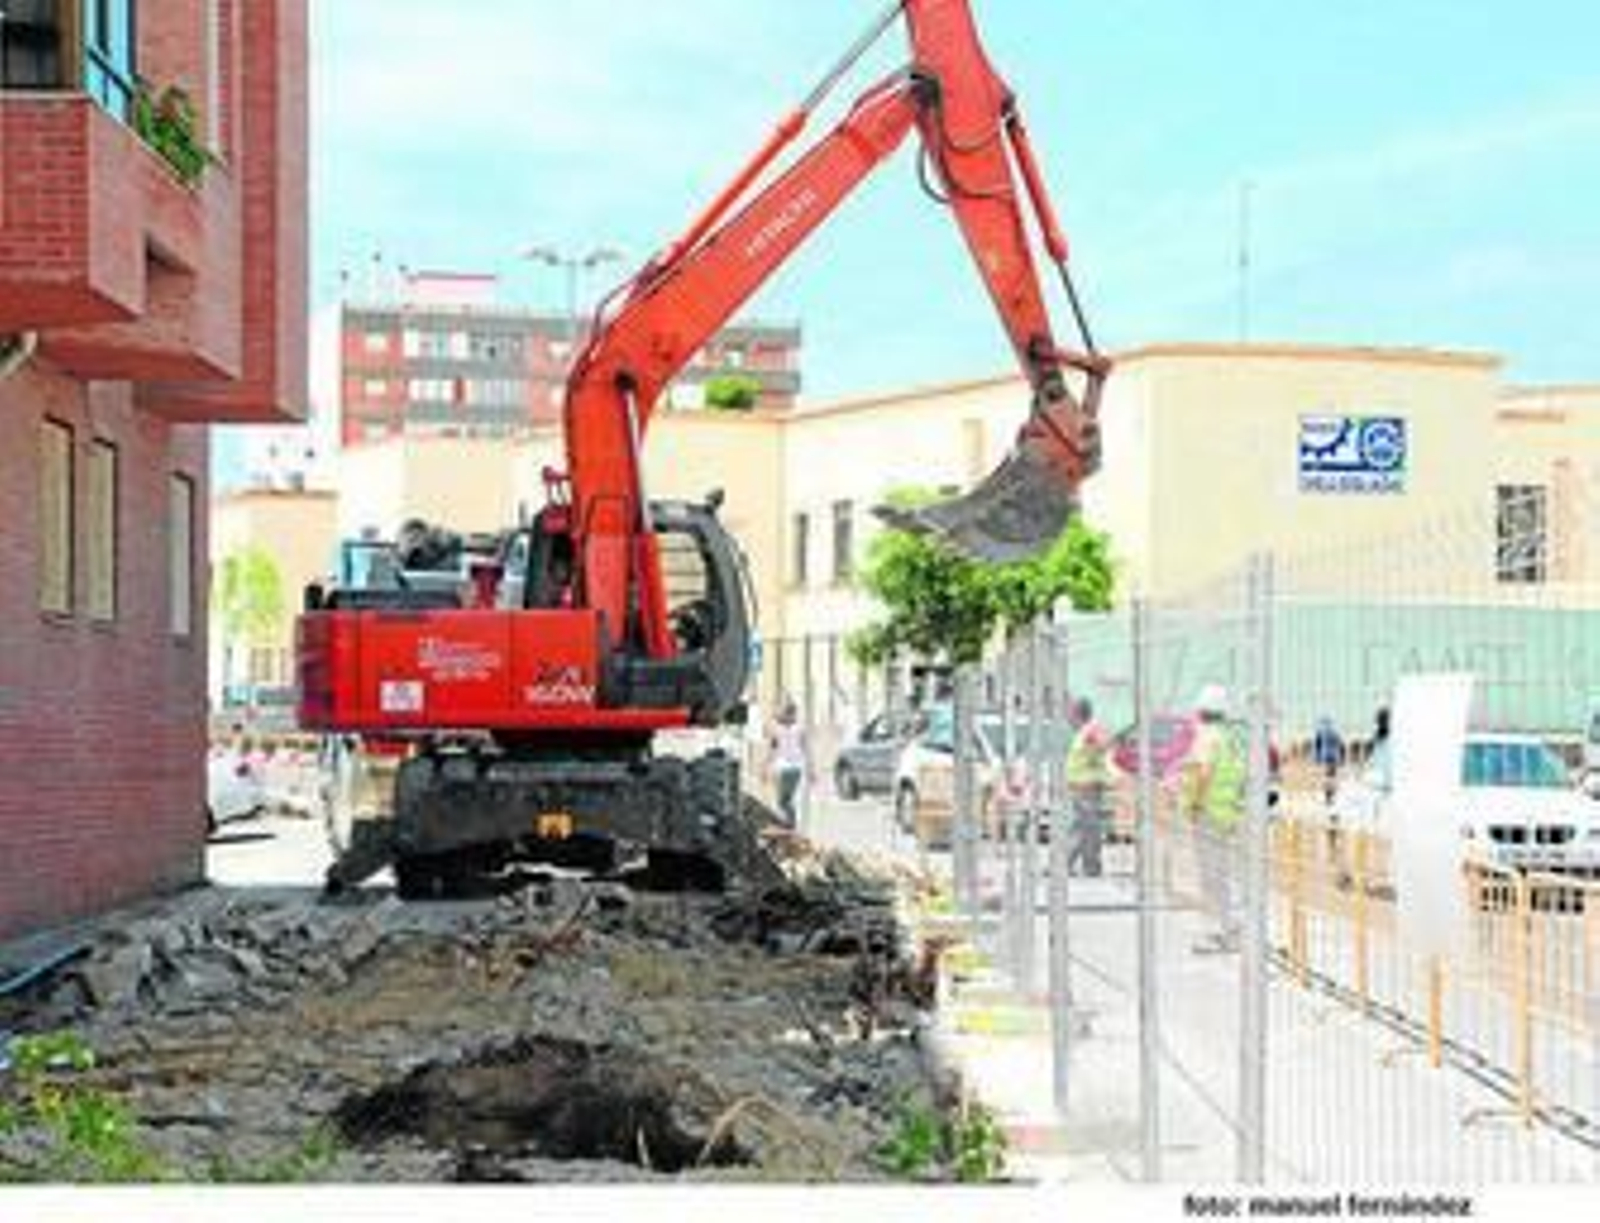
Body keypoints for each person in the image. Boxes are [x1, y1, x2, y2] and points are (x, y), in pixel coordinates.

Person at [1182, 684, 1248, 953]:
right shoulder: (1230, 738)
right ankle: (1230, 927)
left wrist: (1192, 803)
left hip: (1208, 812)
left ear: (1200, 711)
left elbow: (1202, 771)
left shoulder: (1206, 737)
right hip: (1227, 812)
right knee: (1221, 873)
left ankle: (1217, 933)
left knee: (1210, 876)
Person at [1064, 698, 1113, 877]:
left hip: (1087, 787)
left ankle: (1071, 865)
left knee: (1083, 828)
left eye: (1070, 713)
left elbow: (1103, 744)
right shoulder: (1083, 732)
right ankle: (1090, 866)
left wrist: (1098, 745)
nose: (1067, 717)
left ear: (1077, 714)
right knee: (1086, 828)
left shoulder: (1090, 730)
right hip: (1082, 787)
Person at [769, 699, 808, 829]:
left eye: (789, 713)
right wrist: (765, 765)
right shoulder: (778, 728)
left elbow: (805, 747)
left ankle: (789, 824)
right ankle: (788, 822)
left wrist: (811, 768)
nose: (789, 715)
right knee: (784, 799)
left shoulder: (798, 728)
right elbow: (773, 748)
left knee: (783, 799)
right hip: (785, 766)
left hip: (791, 767)